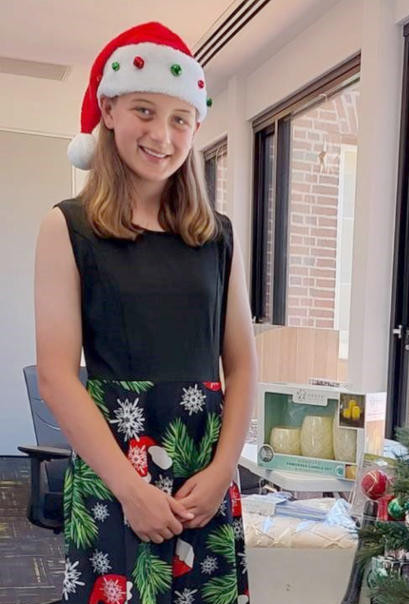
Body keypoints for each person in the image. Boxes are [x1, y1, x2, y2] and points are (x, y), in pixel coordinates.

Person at [33, 22, 257, 603]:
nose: (162, 134)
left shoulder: (218, 237)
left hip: (205, 474)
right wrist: (131, 491)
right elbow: (57, 376)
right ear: (109, 112)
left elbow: (244, 367)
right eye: (144, 111)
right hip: (116, 472)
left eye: (180, 118)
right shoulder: (69, 227)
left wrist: (222, 472)